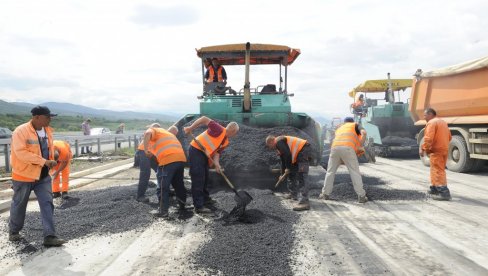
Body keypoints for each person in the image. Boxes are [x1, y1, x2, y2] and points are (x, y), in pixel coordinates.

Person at [8, 106, 66, 246]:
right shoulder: (21, 131)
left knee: (47, 203)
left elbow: (46, 149)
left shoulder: (47, 131)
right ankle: (14, 231)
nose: (50, 119)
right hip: (23, 176)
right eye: (47, 117)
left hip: (43, 176)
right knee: (19, 205)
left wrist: (53, 156)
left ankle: (49, 236)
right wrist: (44, 161)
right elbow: (21, 153)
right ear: (37, 117)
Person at [183, 116, 239, 214]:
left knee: (205, 177)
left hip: (204, 155)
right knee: (198, 177)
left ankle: (205, 199)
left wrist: (217, 165)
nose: (235, 135)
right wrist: (190, 128)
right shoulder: (218, 129)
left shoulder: (225, 141)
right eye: (236, 133)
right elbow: (204, 119)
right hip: (196, 150)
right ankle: (198, 206)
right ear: (233, 130)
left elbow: (217, 153)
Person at [319, 117, 369, 203]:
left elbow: (333, 140)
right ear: (352, 122)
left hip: (334, 148)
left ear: (344, 122)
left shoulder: (339, 127)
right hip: (348, 148)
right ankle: (361, 196)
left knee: (330, 172)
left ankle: (325, 194)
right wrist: (360, 146)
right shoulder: (355, 125)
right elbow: (364, 133)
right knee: (354, 172)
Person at [144, 125, 187, 217]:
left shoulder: (155, 129)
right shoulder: (167, 135)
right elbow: (155, 152)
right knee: (179, 184)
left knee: (163, 186)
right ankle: (182, 205)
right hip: (180, 159)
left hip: (168, 159)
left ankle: (163, 211)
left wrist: (145, 149)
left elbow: (147, 133)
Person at [266, 135, 312, 211]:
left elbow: (288, 155)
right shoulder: (279, 146)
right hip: (298, 153)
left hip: (304, 150)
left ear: (271, 141)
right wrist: (282, 174)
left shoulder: (278, 141)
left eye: (269, 146)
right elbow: (283, 161)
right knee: (291, 172)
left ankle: (305, 202)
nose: (270, 148)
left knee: (302, 176)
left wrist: (288, 168)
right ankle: (293, 193)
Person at [419, 108, 452, 201]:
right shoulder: (442, 122)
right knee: (435, 169)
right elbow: (449, 137)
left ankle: (443, 192)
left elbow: (428, 138)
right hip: (444, 149)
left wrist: (423, 148)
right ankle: (434, 188)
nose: (424, 117)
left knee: (438, 170)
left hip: (436, 150)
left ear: (430, 114)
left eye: (425, 115)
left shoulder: (431, 123)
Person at [135, 123, 161, 202]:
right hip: (144, 152)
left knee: (161, 170)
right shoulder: (151, 132)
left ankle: (163, 191)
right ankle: (140, 196)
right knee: (145, 174)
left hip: (149, 154)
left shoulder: (154, 134)